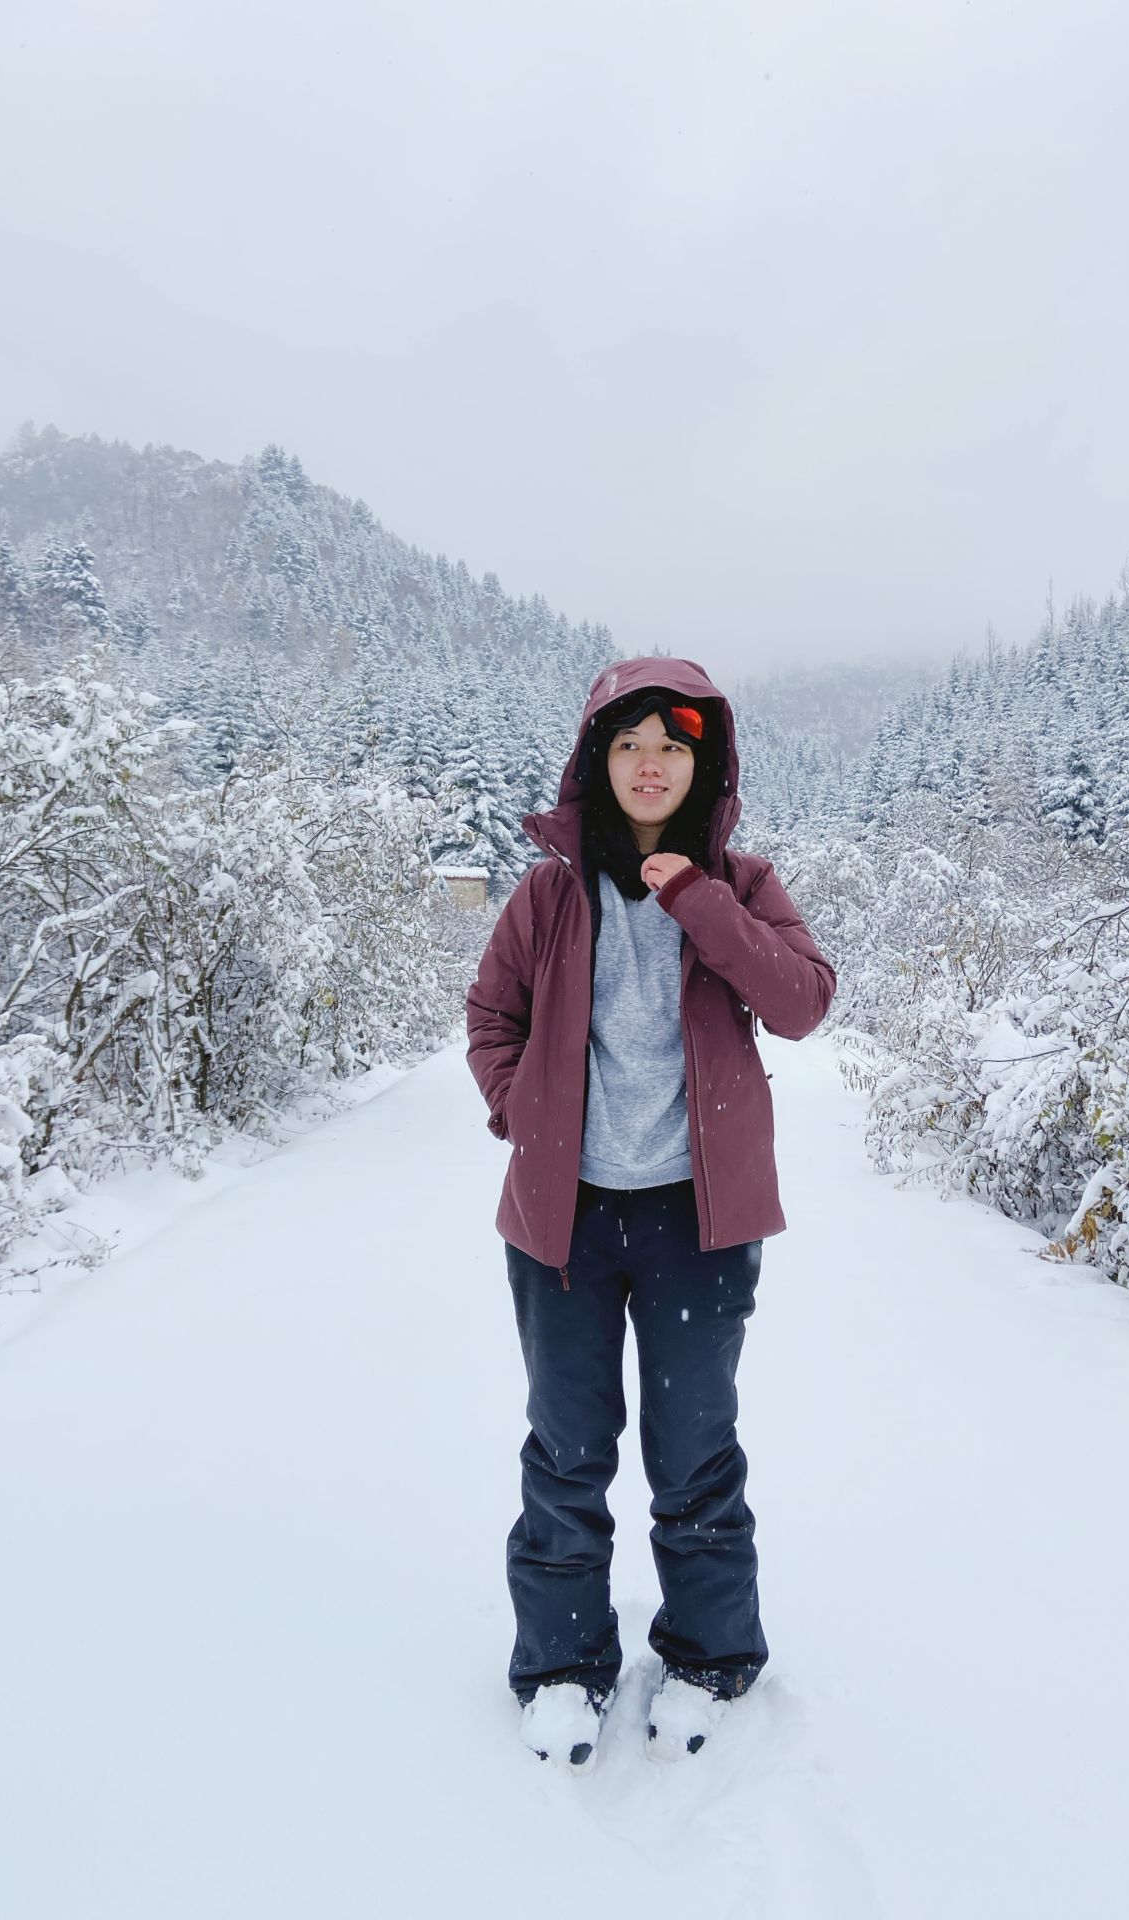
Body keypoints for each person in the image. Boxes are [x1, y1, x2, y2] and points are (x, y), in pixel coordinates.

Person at [465, 657, 836, 1772]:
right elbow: (491, 1015)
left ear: (701, 765)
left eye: (670, 746)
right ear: (598, 759)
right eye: (628, 744)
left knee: (694, 1452)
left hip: (697, 1221)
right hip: (565, 1222)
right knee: (567, 1451)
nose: (648, 764)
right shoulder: (548, 896)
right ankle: (563, 1666)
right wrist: (523, 1111)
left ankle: (707, 1657)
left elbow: (802, 1002)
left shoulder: (742, 884)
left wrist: (698, 899)